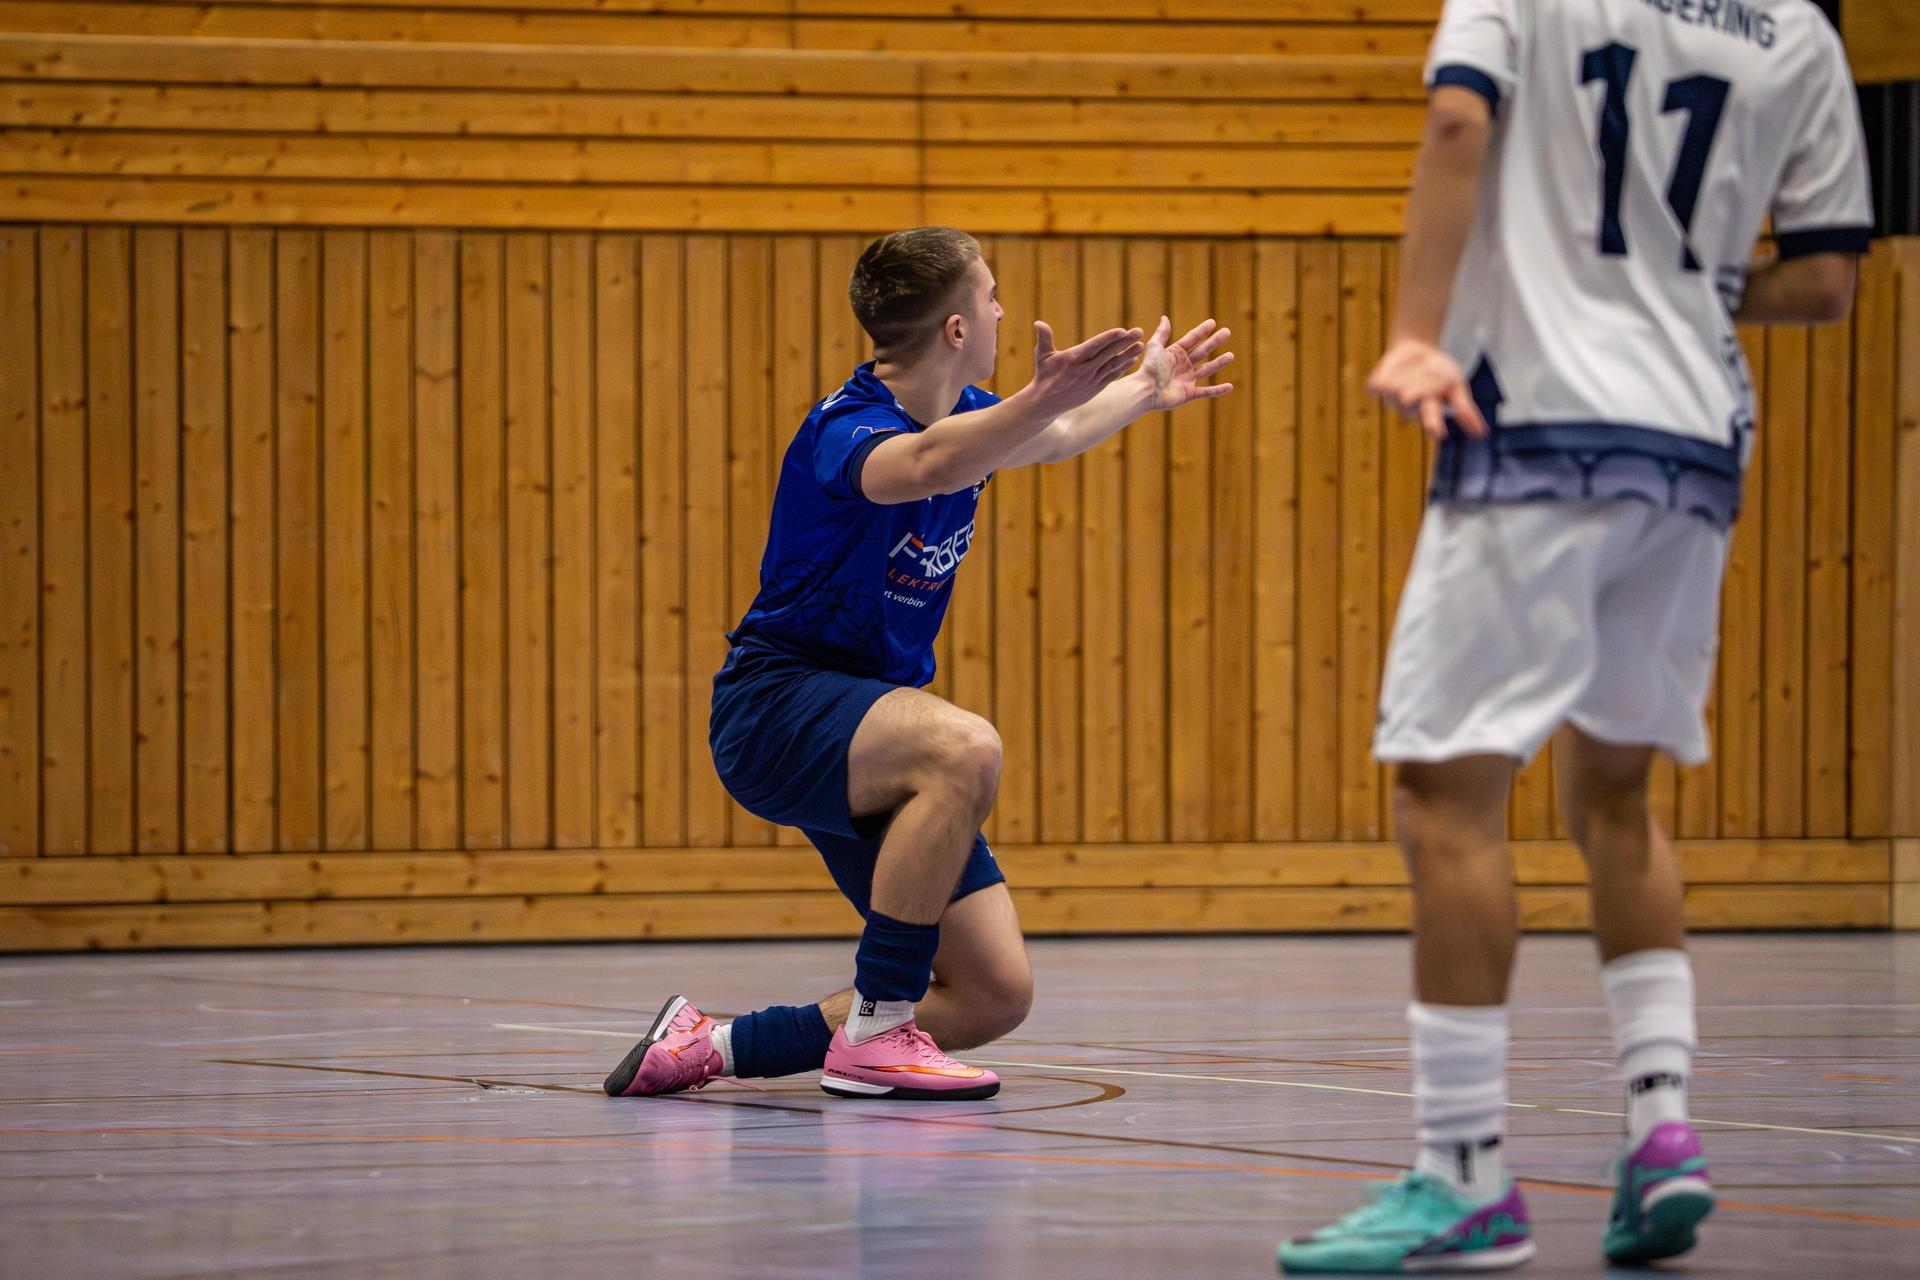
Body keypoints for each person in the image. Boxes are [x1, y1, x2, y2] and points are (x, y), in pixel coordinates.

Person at [1277, 0, 1869, 1272]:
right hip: (1698, 441)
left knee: (1447, 791)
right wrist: (1680, 290)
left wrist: (1417, 334)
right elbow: (1824, 281)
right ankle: (1661, 1123)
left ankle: (1463, 1172)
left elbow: (1454, 120)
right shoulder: (1801, 37)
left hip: (1538, 426)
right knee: (1617, 794)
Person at [604, 227, 1234, 1102]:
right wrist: (1034, 400)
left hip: (868, 728)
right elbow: (931, 464)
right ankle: (876, 1033)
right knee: (965, 748)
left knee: (990, 993)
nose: (1003, 310)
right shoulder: (847, 429)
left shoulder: (968, 416)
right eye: (991, 295)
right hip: (778, 708)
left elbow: (1053, 435)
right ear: (955, 328)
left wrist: (1141, 390)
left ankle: (713, 1045)